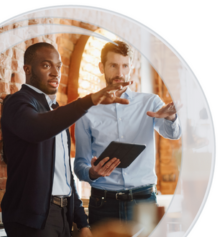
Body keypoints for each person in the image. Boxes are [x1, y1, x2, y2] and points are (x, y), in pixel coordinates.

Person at [0, 42, 131, 237]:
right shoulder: (17, 103)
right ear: (27, 69)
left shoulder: (54, 110)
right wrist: (89, 101)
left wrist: (82, 221)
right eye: (46, 66)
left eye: (58, 67)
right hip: (32, 221)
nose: (55, 73)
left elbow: (64, 175)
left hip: (62, 217)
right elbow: (37, 129)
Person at [74, 40, 182, 226]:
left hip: (143, 202)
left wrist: (171, 118)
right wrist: (92, 172)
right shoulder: (87, 110)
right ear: (102, 67)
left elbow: (173, 134)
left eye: (125, 66)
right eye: (113, 66)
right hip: (103, 204)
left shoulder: (150, 103)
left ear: (130, 67)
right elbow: (80, 165)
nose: (120, 73)